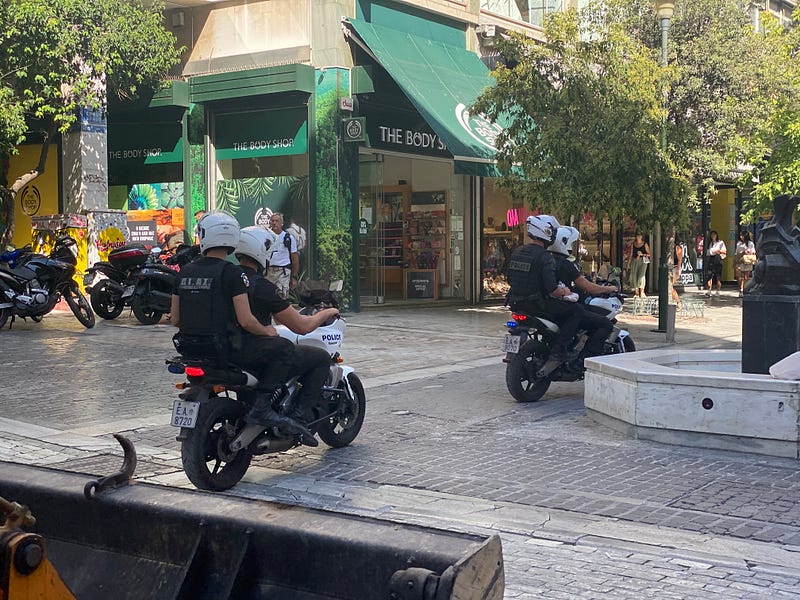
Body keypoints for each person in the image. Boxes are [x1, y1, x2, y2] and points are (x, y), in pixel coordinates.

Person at [170, 211, 314, 445]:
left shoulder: (184, 272)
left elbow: (175, 318)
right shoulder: (232, 272)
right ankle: (263, 406)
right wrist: (268, 331)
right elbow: (246, 320)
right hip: (227, 349)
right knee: (285, 348)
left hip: (191, 350)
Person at [234, 226, 340, 444]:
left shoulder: (228, 278)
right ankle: (297, 417)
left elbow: (279, 315)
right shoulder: (261, 287)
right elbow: (302, 327)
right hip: (253, 351)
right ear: (261, 253)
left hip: (228, 350)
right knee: (319, 358)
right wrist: (327, 312)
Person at [506, 215, 584, 376]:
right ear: (545, 232)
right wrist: (566, 292)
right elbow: (552, 289)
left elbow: (509, 278)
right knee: (576, 312)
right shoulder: (544, 256)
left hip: (516, 303)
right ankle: (559, 350)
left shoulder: (518, 251)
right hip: (538, 305)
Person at [549, 226, 617, 360]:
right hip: (563, 307)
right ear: (565, 243)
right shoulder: (567, 265)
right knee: (605, 324)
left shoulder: (547, 261)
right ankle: (587, 359)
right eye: (572, 243)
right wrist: (609, 289)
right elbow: (588, 287)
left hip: (547, 307)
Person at [266, 212, 299, 299]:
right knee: (267, 296)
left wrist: (294, 277)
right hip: (268, 272)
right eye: (272, 221)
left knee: (281, 297)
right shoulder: (266, 236)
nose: (274, 223)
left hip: (283, 272)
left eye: (277, 221)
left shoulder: (288, 238)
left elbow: (295, 259)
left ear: (282, 223)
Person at [626, 233, 651, 298]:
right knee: (634, 275)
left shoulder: (645, 244)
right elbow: (631, 254)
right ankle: (636, 292)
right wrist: (628, 264)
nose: (639, 237)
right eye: (637, 235)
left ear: (642, 236)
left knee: (641, 276)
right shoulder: (633, 244)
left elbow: (649, 254)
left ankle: (642, 292)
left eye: (640, 235)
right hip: (635, 261)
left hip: (643, 261)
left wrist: (642, 254)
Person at [734, 230, 756, 297]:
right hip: (740, 261)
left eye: (742, 235)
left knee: (746, 276)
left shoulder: (750, 243)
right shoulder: (739, 243)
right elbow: (736, 252)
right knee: (739, 276)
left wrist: (748, 252)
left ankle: (743, 289)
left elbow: (753, 252)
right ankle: (741, 288)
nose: (741, 237)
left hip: (747, 261)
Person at [705, 230, 727, 297]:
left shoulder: (720, 243)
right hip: (711, 259)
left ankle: (718, 290)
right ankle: (709, 290)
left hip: (718, 259)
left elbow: (724, 251)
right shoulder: (710, 243)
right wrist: (711, 252)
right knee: (709, 275)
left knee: (718, 276)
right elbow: (708, 252)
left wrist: (718, 251)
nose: (713, 236)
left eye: (714, 235)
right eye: (712, 235)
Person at [671, 238, 684, 309]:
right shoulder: (669, 247)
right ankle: (675, 300)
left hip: (675, 267)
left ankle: (678, 302)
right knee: (669, 286)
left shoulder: (677, 248)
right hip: (671, 268)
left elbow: (679, 259)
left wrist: (678, 270)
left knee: (670, 286)